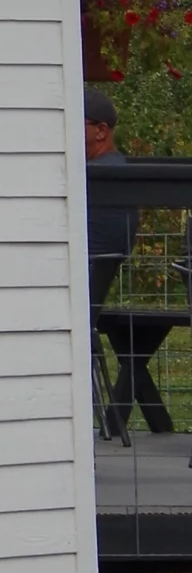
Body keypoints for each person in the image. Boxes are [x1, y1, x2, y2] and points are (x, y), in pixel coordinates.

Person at [87, 83, 177, 437]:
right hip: (88, 309)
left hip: (74, 312)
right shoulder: (112, 173)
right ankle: (116, 423)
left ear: (100, 131)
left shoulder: (104, 178)